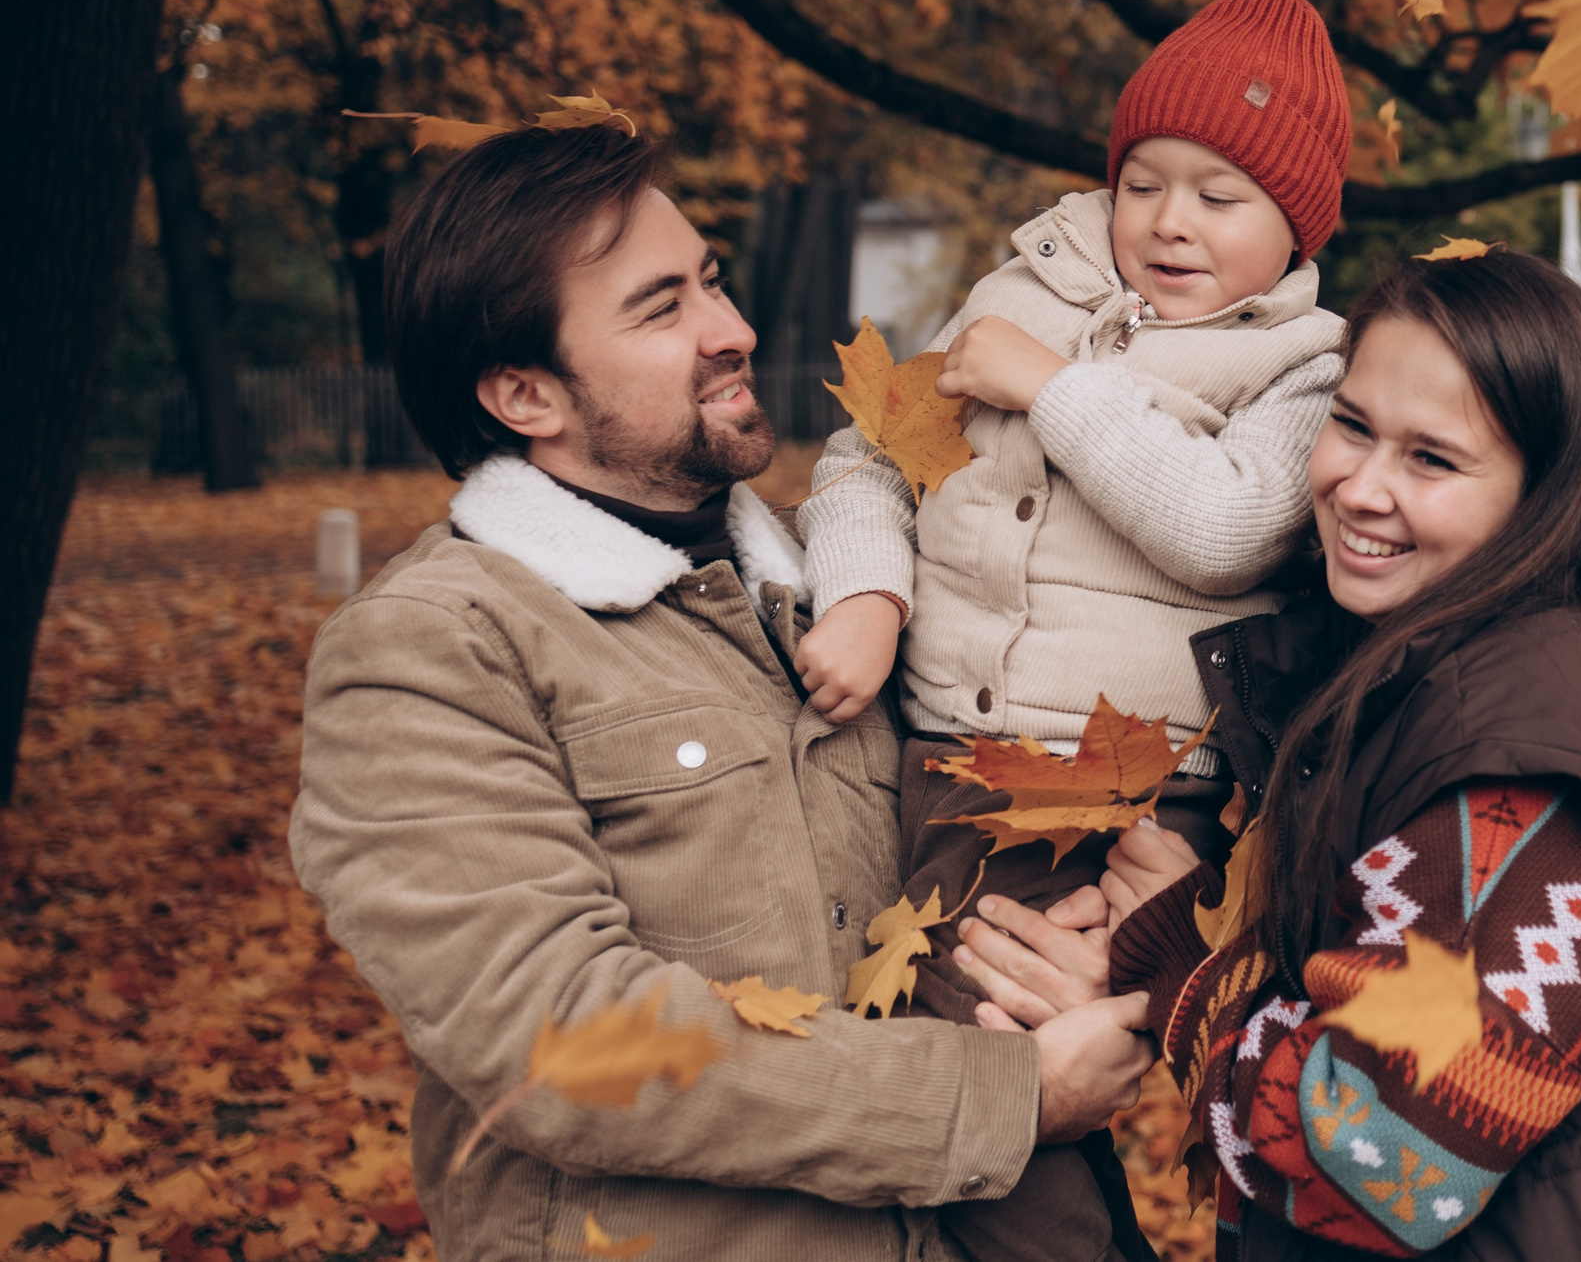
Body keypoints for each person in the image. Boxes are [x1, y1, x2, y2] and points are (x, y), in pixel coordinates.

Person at [289, 125, 1153, 1260]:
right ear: (523, 394)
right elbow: (563, 1045)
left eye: (712, 278)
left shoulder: (851, 590)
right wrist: (1002, 1096)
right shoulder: (434, 648)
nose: (733, 330)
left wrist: (1092, 939)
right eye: (662, 309)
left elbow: (983, 834)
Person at [1077, 248, 1581, 1259]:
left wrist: (1186, 979)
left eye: (1431, 459)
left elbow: (1388, 1159)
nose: (1359, 487)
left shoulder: (1525, 763)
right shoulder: (1416, 661)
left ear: (1543, 494)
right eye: (1351, 426)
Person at [789, 0, 1352, 1262]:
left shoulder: (1304, 368)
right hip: (954, 754)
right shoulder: (1015, 290)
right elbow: (868, 458)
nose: (1169, 221)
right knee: (969, 1048)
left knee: (982, 1048)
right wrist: (869, 596)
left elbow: (1227, 529)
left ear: (1296, 223)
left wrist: (1054, 393)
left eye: (1222, 197)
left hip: (1131, 778)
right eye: (1143, 181)